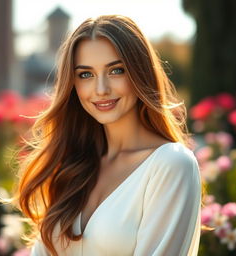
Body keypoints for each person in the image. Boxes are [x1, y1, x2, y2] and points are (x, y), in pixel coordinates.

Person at [14, 15, 202, 256]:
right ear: (73, 85)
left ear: (139, 73)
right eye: (86, 74)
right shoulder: (71, 166)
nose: (101, 89)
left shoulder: (171, 164)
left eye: (116, 70)